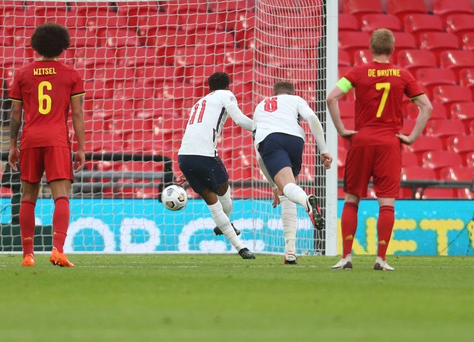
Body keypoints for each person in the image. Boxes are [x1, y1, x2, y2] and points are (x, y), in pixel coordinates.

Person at [327, 28, 433, 271]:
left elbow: (332, 98)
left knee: (352, 198)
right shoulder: (403, 75)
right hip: (389, 143)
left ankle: (346, 257)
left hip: (362, 141)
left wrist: (342, 130)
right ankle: (381, 259)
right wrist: (411, 137)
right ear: (392, 49)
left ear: (371, 48)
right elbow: (426, 107)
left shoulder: (356, 72)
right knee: (387, 203)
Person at [8, 22, 85, 268]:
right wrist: (81, 148)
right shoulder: (71, 74)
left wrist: (13, 144)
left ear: (36, 45)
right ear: (63, 46)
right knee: (60, 196)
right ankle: (58, 250)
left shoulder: (22, 73)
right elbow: (77, 113)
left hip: (30, 139)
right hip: (57, 140)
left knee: (28, 197)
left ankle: (28, 255)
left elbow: (15, 114)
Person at [177, 71, 255, 259]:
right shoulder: (226, 95)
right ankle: (227, 227)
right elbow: (240, 119)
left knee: (213, 204)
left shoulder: (199, 103)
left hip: (185, 157)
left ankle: (241, 248)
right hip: (205, 155)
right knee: (224, 197)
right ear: (228, 85)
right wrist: (262, 129)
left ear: (209, 87)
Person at [253, 80, 333, 265]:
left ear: (274, 93)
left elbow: (258, 156)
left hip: (270, 140)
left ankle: (307, 202)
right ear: (292, 92)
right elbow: (312, 118)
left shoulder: (261, 106)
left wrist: (273, 184)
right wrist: (324, 150)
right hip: (295, 140)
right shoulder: (296, 100)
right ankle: (290, 251)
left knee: (286, 189)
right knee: (287, 191)